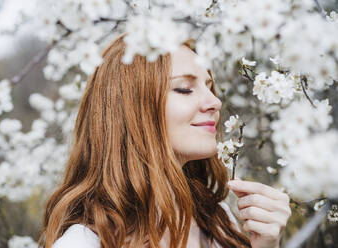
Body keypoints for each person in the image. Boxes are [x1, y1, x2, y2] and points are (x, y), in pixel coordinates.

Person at [39, 33, 291, 248]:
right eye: (184, 89)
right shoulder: (84, 243)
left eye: (209, 86)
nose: (216, 103)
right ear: (130, 108)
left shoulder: (217, 220)